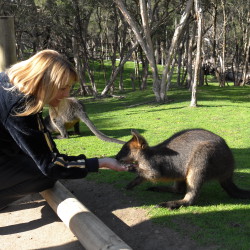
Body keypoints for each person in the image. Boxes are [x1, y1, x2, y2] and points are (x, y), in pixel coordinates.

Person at [0, 49, 127, 210]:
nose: (66, 94)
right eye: (61, 88)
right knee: (45, 176)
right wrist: (101, 163)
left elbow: (41, 146)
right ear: (43, 81)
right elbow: (50, 165)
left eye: (68, 88)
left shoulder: (8, 81)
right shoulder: (20, 103)